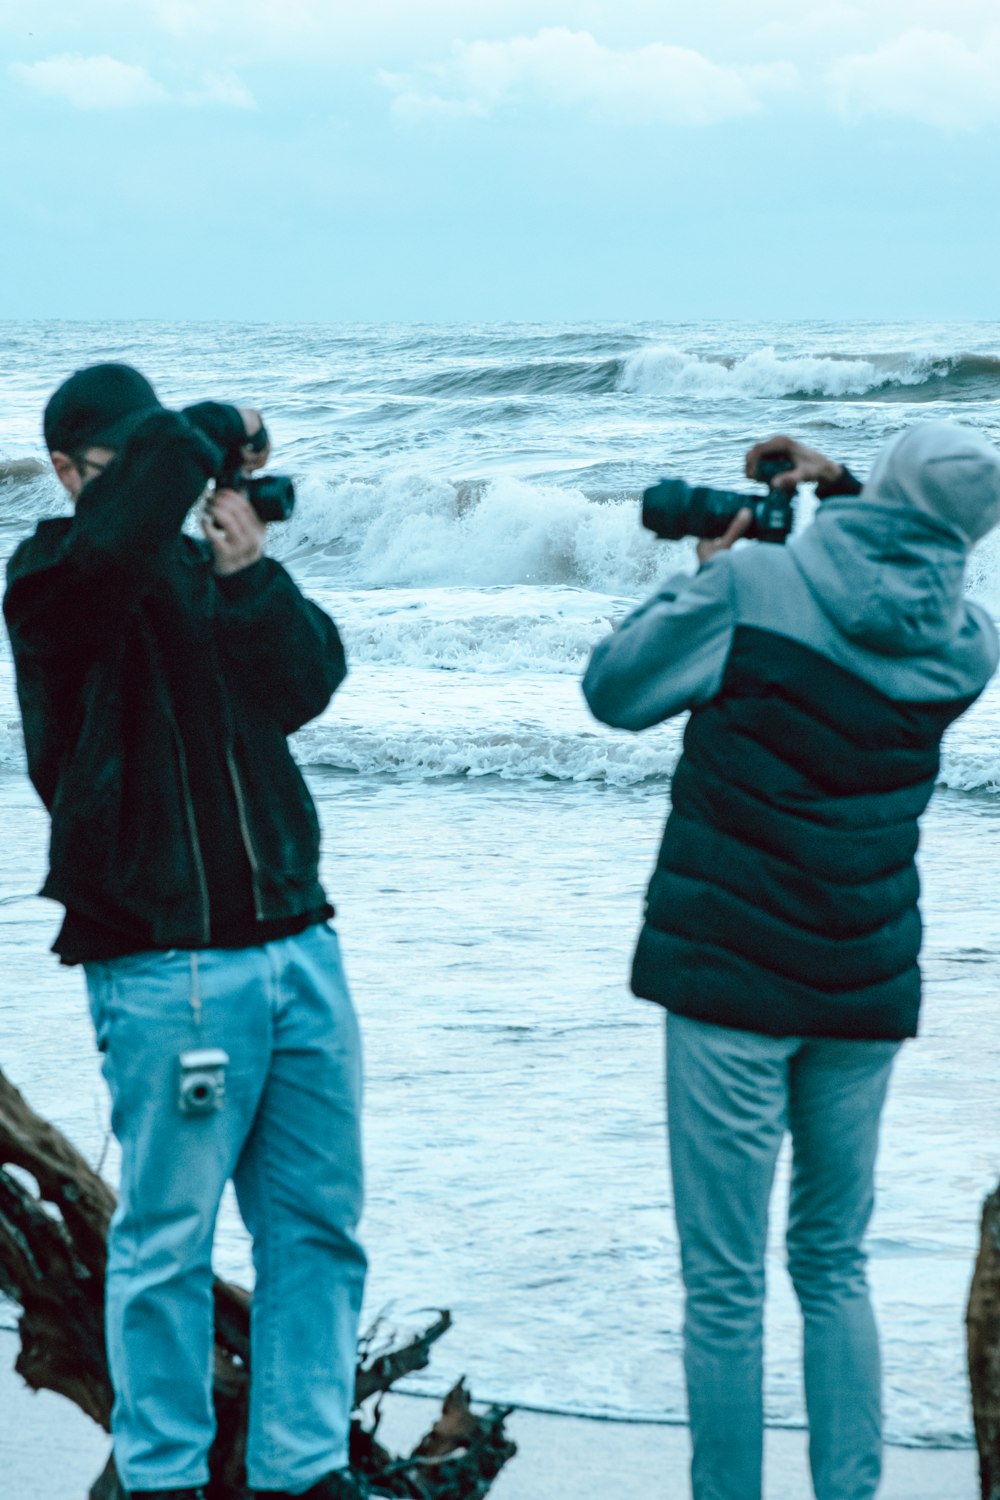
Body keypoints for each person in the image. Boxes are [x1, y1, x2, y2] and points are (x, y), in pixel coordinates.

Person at [582, 422, 1000, 1500]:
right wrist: (851, 486)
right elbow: (896, 563)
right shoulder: (967, 644)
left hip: (729, 977)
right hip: (862, 987)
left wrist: (705, 577)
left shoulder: (754, 587)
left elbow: (613, 692)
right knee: (831, 1263)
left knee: (723, 1284)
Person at [4, 364, 367, 1500]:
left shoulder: (207, 563)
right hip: (164, 959)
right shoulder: (53, 576)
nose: (175, 483)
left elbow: (308, 686)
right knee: (167, 1242)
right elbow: (112, 553)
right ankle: (160, 1479)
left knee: (317, 1232)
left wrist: (250, 571)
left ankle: (301, 1470)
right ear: (70, 472)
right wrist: (205, 433)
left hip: (298, 941)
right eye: (141, 460)